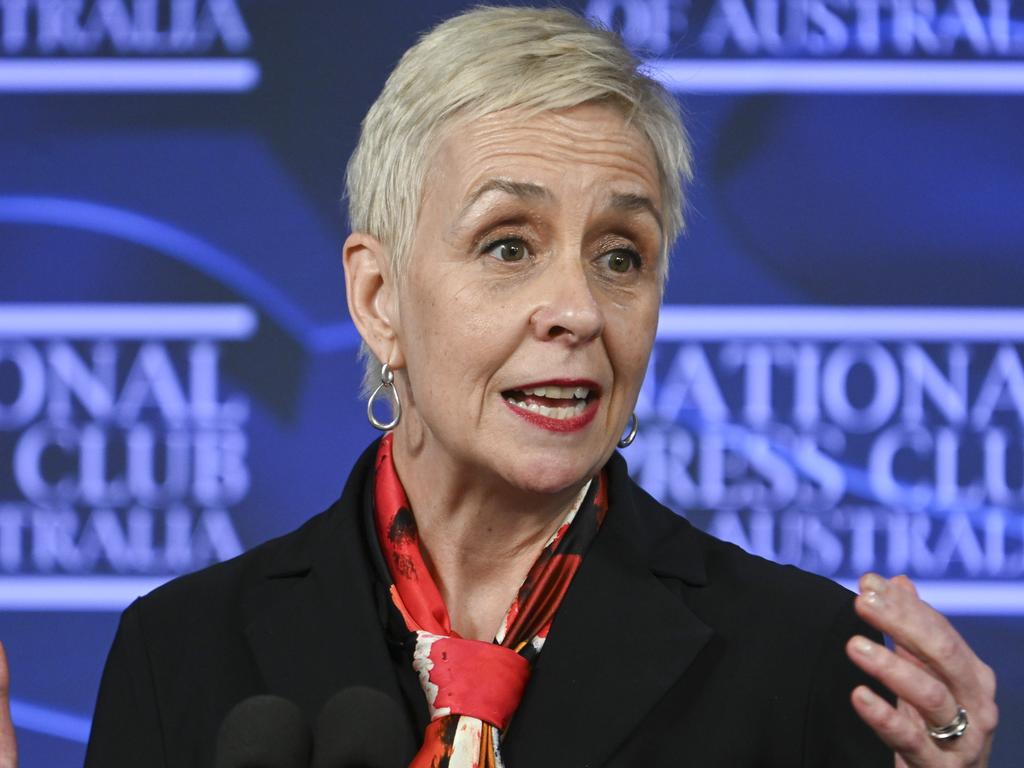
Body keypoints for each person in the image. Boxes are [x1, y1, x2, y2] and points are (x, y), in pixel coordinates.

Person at [0, 6, 998, 767]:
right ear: (379, 295)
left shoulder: (798, 662)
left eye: (621, 255)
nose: (576, 309)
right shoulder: (181, 655)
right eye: (508, 244)